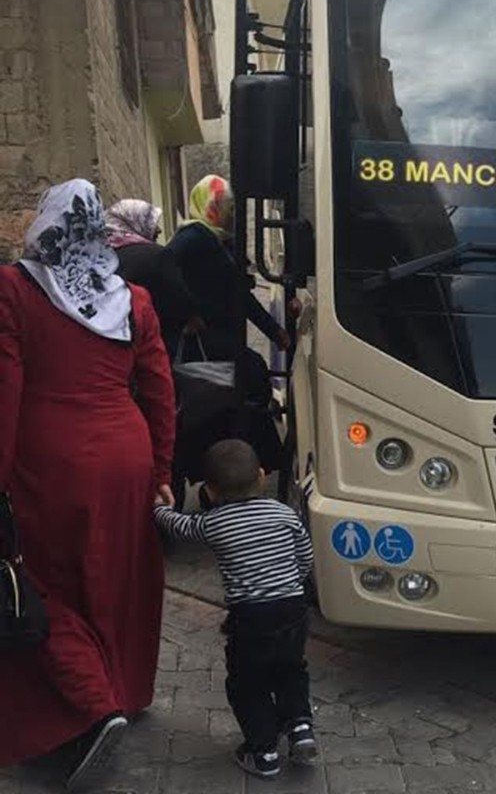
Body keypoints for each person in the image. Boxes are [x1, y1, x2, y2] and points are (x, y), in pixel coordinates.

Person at [0, 179, 175, 788]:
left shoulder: (14, 291)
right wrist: (161, 471)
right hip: (124, 456)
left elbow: (5, 393)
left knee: (43, 580)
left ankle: (89, 707)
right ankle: (121, 691)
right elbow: (159, 391)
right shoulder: (133, 300)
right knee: (116, 574)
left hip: (45, 460)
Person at [153, 440, 316, 778]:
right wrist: (291, 587)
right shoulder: (284, 513)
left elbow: (180, 527)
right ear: (260, 476)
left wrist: (157, 508)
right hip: (293, 610)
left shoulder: (215, 523)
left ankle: (264, 752)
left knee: (248, 683)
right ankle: (300, 727)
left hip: (250, 620)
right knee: (291, 669)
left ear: (209, 491)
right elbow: (306, 558)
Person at [166, 175, 289, 496]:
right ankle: (217, 484)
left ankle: (236, 479)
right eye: (223, 206)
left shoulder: (223, 242)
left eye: (231, 207)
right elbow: (165, 273)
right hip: (206, 351)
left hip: (226, 345)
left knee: (245, 401)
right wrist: (186, 313)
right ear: (207, 206)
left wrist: (275, 331)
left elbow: (240, 297)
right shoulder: (193, 237)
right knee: (217, 417)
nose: (230, 213)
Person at [105, 198, 199, 358]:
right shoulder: (156, 256)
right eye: (151, 221)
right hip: (155, 350)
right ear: (135, 222)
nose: (159, 230)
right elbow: (181, 303)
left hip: (113, 354)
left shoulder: (101, 260)